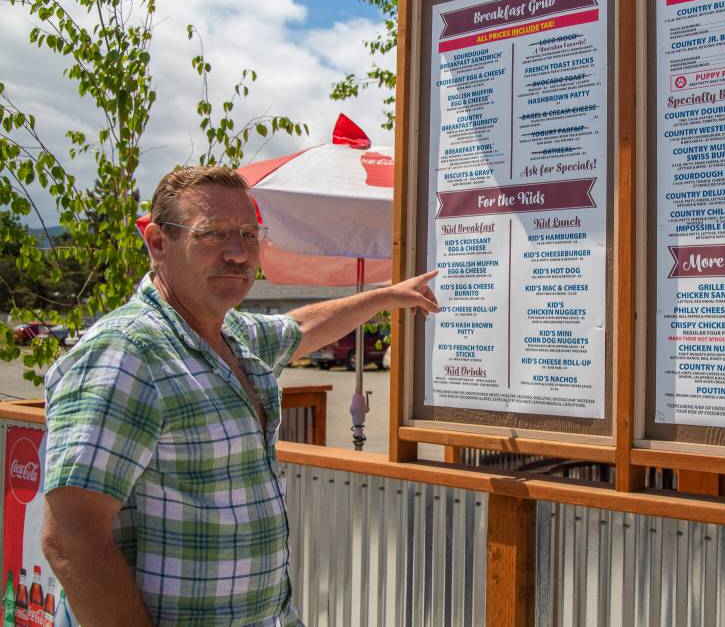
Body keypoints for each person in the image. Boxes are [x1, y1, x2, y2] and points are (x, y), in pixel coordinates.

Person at [40, 166, 438, 626]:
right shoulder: (126, 353)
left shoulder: (233, 335)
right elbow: (70, 540)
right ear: (157, 243)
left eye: (250, 234)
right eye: (212, 234)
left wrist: (387, 296)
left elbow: (303, 327)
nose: (237, 253)